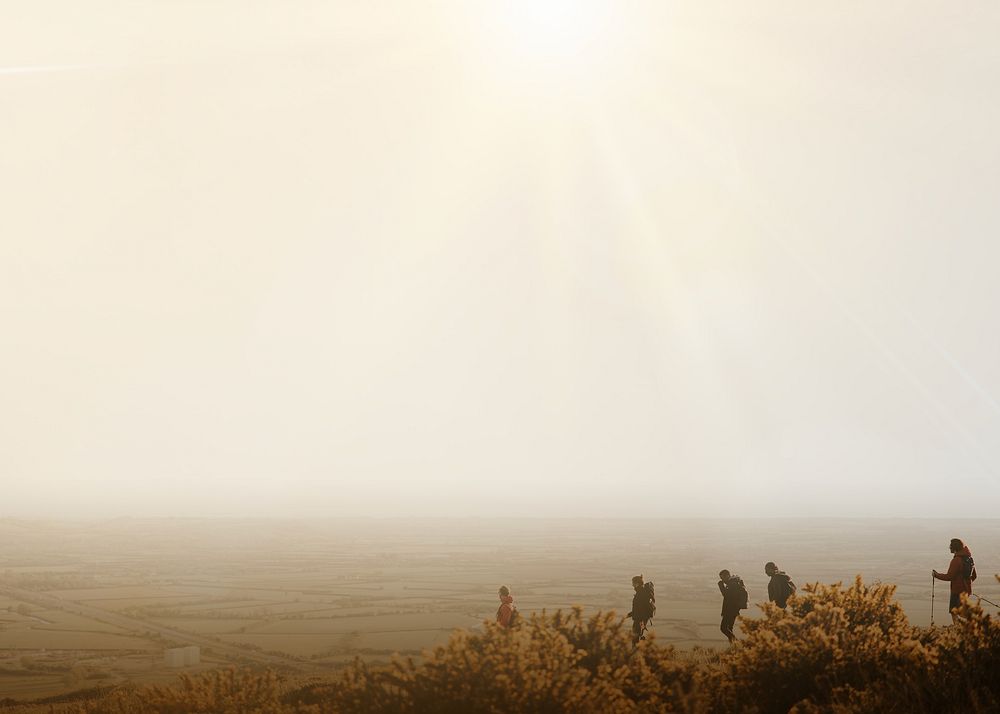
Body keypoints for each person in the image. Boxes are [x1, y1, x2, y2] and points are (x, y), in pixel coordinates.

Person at [933, 538, 977, 624]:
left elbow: (949, 576)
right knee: (962, 611)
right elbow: (974, 576)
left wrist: (936, 575)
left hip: (957, 591)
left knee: (955, 612)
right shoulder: (969, 559)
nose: (949, 548)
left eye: (951, 546)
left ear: (955, 548)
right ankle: (971, 627)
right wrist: (966, 584)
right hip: (966, 590)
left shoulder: (956, 560)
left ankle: (962, 629)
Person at [718, 570, 748, 644]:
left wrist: (721, 586)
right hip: (734, 610)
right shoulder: (734, 583)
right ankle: (734, 646)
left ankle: (736, 642)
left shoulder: (733, 584)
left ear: (727, 576)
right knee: (729, 628)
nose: (722, 580)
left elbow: (727, 596)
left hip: (730, 610)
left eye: (723, 578)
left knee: (723, 628)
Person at [627, 575, 655, 645]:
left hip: (639, 620)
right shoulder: (641, 592)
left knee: (635, 639)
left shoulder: (641, 594)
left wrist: (642, 621)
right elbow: (638, 609)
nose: (632, 584)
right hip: (640, 619)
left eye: (633, 583)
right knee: (637, 637)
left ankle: (637, 653)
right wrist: (629, 614)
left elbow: (641, 609)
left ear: (637, 583)